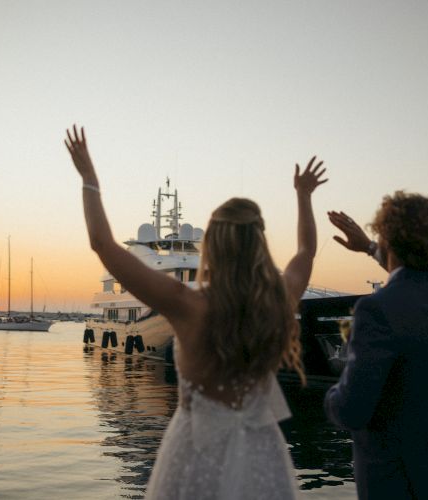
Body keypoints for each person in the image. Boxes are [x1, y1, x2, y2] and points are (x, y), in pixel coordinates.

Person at [65, 125, 328, 500]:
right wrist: (303, 195)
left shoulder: (187, 304)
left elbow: (102, 244)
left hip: (195, 455)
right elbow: (306, 253)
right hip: (261, 452)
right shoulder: (279, 299)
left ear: (212, 246)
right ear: (259, 243)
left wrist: (89, 179)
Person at [325, 193, 428, 500]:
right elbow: (417, 283)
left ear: (387, 241)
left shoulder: (375, 311)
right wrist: (369, 247)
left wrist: (335, 388)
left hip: (395, 485)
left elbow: (351, 411)